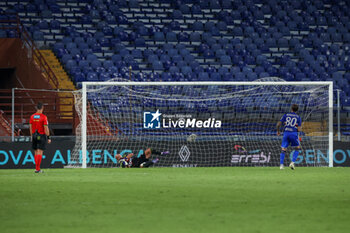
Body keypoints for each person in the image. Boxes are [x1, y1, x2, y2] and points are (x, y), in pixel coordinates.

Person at [276, 104, 302, 170]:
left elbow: (278, 124)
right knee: (298, 148)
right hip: (293, 134)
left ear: (291, 108)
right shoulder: (298, 117)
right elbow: (299, 129)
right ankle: (292, 163)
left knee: (283, 149)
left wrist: (278, 131)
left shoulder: (286, 115)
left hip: (286, 133)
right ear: (297, 110)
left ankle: (281, 165)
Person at [29, 102, 51, 173]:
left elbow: (30, 127)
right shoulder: (43, 117)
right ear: (42, 108)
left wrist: (31, 136)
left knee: (35, 151)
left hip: (34, 135)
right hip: (41, 135)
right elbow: (46, 128)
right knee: (40, 151)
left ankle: (37, 168)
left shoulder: (32, 116)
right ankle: (38, 169)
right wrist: (48, 137)